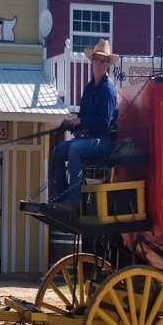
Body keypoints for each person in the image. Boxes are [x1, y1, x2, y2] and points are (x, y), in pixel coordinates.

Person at [50, 38, 119, 212]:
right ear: (92, 61)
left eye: (104, 61)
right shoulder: (89, 88)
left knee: (75, 150)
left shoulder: (108, 90)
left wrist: (82, 121)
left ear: (107, 65)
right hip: (88, 138)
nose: (100, 63)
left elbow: (104, 123)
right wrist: (73, 122)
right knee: (58, 150)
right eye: (97, 59)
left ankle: (73, 201)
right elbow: (83, 116)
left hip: (104, 142)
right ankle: (61, 197)